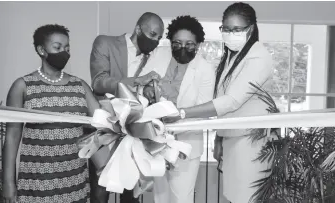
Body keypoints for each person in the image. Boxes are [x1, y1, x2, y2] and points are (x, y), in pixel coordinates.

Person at [163, 3, 273, 203]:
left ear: (251, 28)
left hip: (250, 140)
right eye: (226, 29)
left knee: (246, 197)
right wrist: (220, 138)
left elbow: (231, 101)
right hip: (232, 138)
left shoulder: (259, 57)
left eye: (237, 29)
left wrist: (181, 113)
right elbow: (222, 96)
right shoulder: (233, 56)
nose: (230, 34)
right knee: (233, 195)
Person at [2, 24, 100, 203]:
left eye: (67, 48)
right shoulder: (23, 86)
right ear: (41, 49)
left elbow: (102, 122)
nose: (64, 52)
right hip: (37, 184)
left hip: (74, 180)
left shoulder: (80, 86)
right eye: (57, 47)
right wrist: (8, 182)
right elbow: (12, 137)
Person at [89, 12, 164, 203]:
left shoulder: (153, 58)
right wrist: (135, 81)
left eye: (159, 38)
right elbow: (98, 83)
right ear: (138, 29)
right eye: (153, 34)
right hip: (105, 129)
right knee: (100, 191)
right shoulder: (105, 43)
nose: (155, 41)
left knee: (131, 194)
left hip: (133, 133)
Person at [142, 15, 215, 203]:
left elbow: (205, 110)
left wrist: (177, 116)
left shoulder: (205, 69)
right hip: (156, 139)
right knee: (160, 196)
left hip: (186, 143)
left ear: (198, 45)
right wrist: (146, 89)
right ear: (170, 42)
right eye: (177, 43)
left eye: (189, 44)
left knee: (181, 197)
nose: (183, 48)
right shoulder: (159, 55)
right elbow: (141, 83)